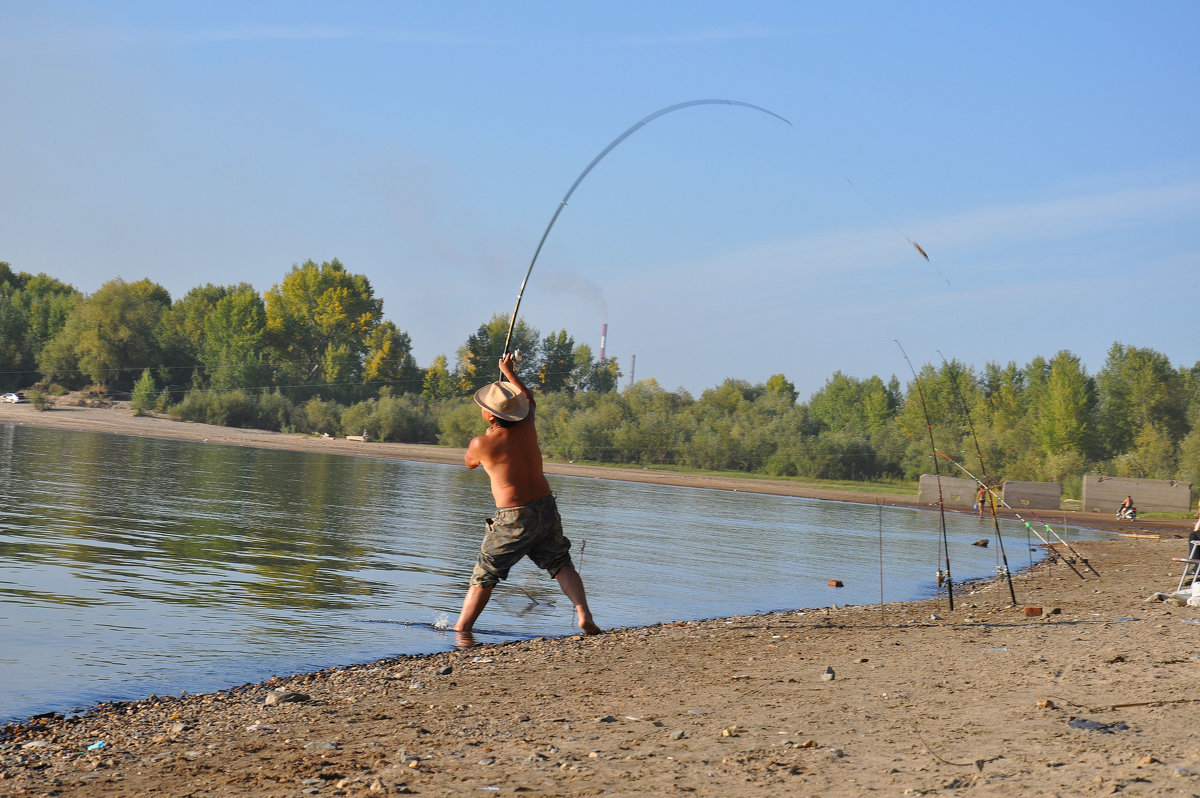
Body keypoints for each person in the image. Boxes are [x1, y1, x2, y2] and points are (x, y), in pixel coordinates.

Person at [453, 353, 601, 639]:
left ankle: (462, 630)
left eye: (485, 408)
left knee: (486, 573)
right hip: (546, 507)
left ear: (491, 416)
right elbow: (528, 399)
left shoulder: (482, 443)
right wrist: (508, 371)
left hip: (514, 516)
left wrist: (487, 434)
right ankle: (583, 613)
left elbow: (469, 462)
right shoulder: (528, 424)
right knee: (560, 563)